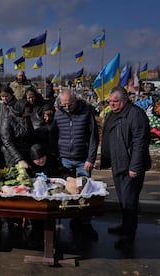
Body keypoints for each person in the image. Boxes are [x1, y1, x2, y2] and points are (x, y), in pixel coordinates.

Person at [100, 86, 151, 250]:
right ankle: (124, 225)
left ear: (124, 100)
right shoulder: (111, 114)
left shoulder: (136, 115)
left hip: (130, 166)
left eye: (115, 102)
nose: (112, 104)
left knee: (130, 201)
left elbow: (140, 143)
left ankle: (129, 235)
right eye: (110, 102)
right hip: (117, 164)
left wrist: (135, 167)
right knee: (123, 200)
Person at [52, 87, 99, 240]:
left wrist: (90, 159)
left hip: (82, 160)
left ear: (75, 100)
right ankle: (71, 220)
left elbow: (93, 137)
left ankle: (85, 223)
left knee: (85, 192)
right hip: (65, 159)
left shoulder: (86, 112)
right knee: (67, 192)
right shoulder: (58, 114)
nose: (67, 108)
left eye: (69, 105)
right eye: (64, 105)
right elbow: (53, 134)